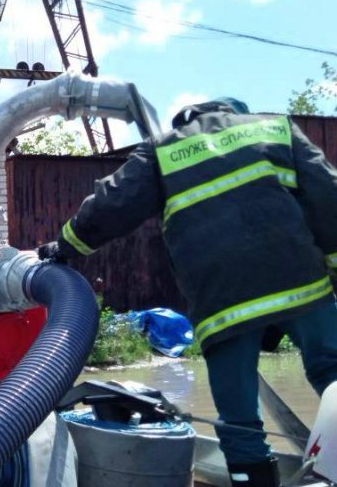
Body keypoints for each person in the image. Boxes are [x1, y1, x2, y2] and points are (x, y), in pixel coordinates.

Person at [38, 98, 337, 487]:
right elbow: (329, 197)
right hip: (301, 284)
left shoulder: (163, 149)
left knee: (239, 418)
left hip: (223, 303)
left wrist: (64, 245)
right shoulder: (275, 127)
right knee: (332, 371)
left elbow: (114, 203)